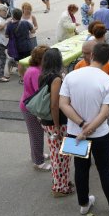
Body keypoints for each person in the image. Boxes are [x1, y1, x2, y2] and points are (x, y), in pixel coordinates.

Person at [59, 43, 109, 216]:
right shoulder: (107, 80)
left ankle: (83, 203)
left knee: (80, 168)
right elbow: (105, 112)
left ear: (91, 55)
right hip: (99, 134)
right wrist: (89, 128)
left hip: (74, 133)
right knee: (105, 169)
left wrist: (81, 125)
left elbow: (63, 104)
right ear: (108, 59)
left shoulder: (71, 76)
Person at [39, 48, 74, 197]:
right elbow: (55, 104)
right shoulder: (56, 79)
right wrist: (57, 127)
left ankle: (62, 181)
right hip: (56, 122)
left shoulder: (43, 76)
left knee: (58, 154)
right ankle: (60, 188)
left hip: (47, 121)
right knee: (61, 156)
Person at [20, 45, 50, 171]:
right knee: (36, 135)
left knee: (36, 134)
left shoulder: (35, 68)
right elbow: (40, 92)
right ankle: (38, 162)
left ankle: (38, 155)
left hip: (30, 105)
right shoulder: (35, 72)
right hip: (32, 108)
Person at [5, 8, 36, 83]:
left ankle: (23, 78)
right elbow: (33, 31)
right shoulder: (25, 23)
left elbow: (6, 36)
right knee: (30, 61)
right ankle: (32, 77)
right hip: (27, 45)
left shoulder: (9, 25)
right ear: (21, 15)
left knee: (20, 62)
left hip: (17, 47)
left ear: (13, 16)